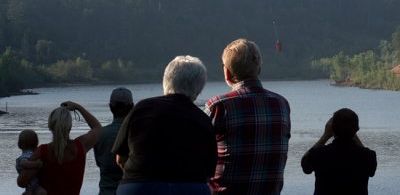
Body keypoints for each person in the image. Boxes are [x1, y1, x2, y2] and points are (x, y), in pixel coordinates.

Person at [112, 55, 217, 195]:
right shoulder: (203, 119)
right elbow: (209, 172)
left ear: (166, 81)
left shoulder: (141, 108)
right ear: (198, 90)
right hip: (190, 188)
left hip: (138, 188)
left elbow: (120, 158)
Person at [205, 38, 291, 195]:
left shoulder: (218, 105)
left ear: (227, 72)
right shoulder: (282, 104)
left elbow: (194, 151)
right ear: (258, 69)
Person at [17, 101, 102, 195]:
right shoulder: (80, 147)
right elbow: (97, 128)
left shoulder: (42, 152)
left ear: (50, 126)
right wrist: (78, 107)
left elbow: (22, 182)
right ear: (70, 127)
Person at [301, 108, 377, 195]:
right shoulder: (367, 156)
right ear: (356, 129)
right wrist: (351, 131)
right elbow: (371, 171)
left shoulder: (319, 154)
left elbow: (305, 167)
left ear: (332, 129)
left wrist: (325, 136)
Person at [94, 87, 134, 195]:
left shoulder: (100, 134)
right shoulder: (139, 134)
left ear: (110, 107)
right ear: (132, 106)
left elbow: (99, 163)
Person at [16, 130, 47, 195]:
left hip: (31, 185)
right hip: (34, 184)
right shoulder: (30, 154)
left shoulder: (28, 154)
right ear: (36, 143)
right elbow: (23, 163)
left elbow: (23, 163)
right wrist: (36, 164)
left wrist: (35, 164)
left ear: (19, 145)